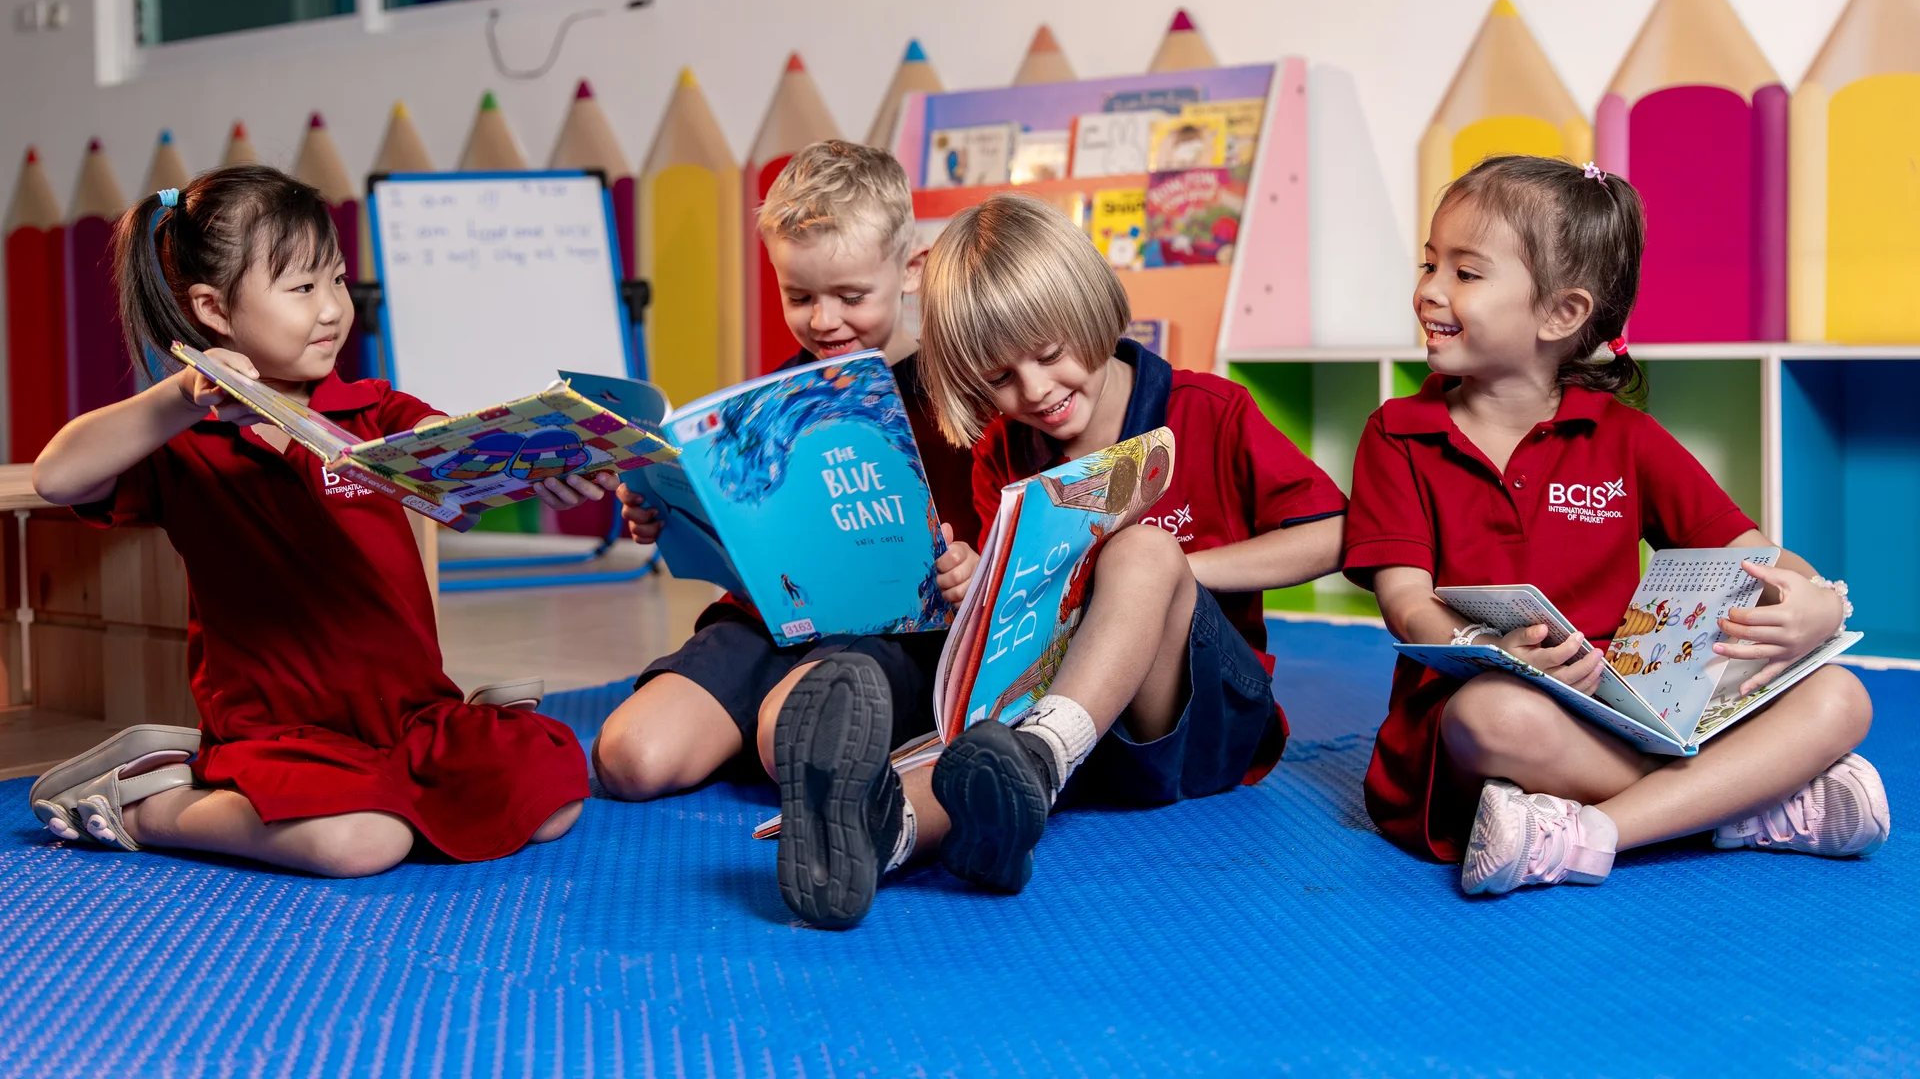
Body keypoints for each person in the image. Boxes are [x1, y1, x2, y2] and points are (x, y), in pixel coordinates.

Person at [27, 167, 602, 877]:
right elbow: (58, 477)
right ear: (212, 308)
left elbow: (446, 451)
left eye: (335, 280)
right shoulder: (181, 445)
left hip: (411, 715)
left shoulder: (371, 409)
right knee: (361, 843)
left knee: (552, 796)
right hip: (282, 732)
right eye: (302, 289)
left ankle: (418, 776)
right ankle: (150, 804)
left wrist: (539, 468)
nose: (332, 309)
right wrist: (180, 395)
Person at [1343, 155, 1885, 896]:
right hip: (1506, 713)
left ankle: (1595, 832)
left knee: (1842, 697)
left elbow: (1754, 555)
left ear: (1561, 314)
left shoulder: (1624, 435)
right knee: (1487, 716)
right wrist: (1495, 651)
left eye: (1466, 273)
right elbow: (1406, 602)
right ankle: (1746, 806)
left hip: (1638, 702)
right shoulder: (1397, 433)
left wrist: (1819, 600)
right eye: (1431, 264)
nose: (1429, 290)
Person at [911, 193, 1348, 895]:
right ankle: (876, 835)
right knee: (959, 764)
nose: (1036, 390)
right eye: (999, 378)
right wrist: (974, 585)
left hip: (1209, 726)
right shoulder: (1004, 449)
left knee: (1139, 552)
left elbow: (1338, 534)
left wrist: (1171, 570)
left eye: (1050, 354)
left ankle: (1042, 760)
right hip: (1075, 717)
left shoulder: (1208, 409)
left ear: (1089, 310)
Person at [593, 140, 979, 928]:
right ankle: (789, 729)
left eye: (849, 294)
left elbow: (997, 540)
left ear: (910, 270)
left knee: (785, 734)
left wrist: (971, 565)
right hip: (771, 617)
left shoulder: (961, 386)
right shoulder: (785, 388)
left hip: (892, 633)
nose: (824, 320)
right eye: (799, 296)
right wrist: (664, 510)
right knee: (630, 758)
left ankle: (822, 745)